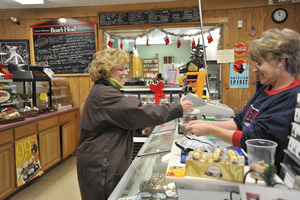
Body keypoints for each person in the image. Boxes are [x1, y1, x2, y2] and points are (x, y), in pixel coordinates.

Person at [77, 48, 193, 200]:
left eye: (126, 68)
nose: (126, 73)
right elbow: (139, 112)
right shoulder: (105, 94)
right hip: (101, 163)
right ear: (107, 70)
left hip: (103, 157)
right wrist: (178, 108)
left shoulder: (105, 90)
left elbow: (122, 119)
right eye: (121, 69)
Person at [185, 28, 300, 171]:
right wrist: (205, 123)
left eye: (259, 63)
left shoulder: (292, 98)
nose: (254, 69)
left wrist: (209, 128)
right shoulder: (265, 89)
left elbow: (254, 140)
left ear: (279, 61)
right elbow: (239, 121)